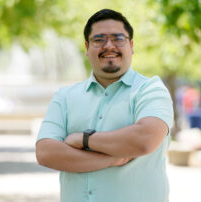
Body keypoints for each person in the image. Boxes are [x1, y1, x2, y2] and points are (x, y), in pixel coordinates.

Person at [36, 9, 173, 202]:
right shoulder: (65, 97)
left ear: (131, 45)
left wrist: (83, 140)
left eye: (118, 38)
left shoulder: (150, 90)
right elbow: (46, 152)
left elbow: (144, 139)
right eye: (99, 39)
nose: (109, 46)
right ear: (87, 46)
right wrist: (111, 159)